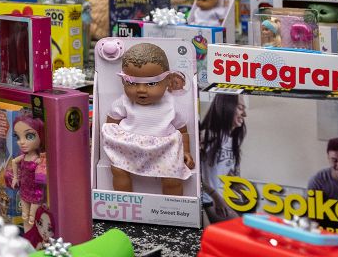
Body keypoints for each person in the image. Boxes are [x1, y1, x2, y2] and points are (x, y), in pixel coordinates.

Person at [101, 42, 195, 196]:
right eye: (132, 83)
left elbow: (182, 130)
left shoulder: (171, 104)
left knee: (172, 179)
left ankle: (173, 209)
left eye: (151, 83)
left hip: (164, 150)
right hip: (130, 147)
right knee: (118, 170)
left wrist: (186, 151)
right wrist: (113, 144)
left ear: (167, 81)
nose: (141, 90)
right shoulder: (124, 102)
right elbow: (111, 124)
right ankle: (125, 202)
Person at [199, 93, 247, 223]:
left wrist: (240, 188)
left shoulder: (233, 141)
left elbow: (225, 172)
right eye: (240, 108)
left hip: (217, 198)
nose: (244, 114)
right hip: (206, 199)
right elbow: (193, 176)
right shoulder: (206, 136)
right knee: (237, 228)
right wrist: (216, 197)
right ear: (227, 107)